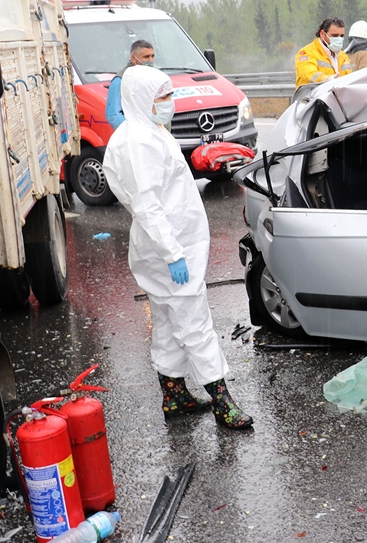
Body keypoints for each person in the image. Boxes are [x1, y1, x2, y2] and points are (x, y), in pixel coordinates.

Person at [102, 65, 253, 430]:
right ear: (141, 99)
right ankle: (223, 404)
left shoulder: (138, 133)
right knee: (196, 325)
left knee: (169, 323)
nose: (170, 103)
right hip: (171, 250)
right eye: (163, 97)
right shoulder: (140, 143)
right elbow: (148, 205)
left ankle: (174, 395)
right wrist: (173, 254)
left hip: (163, 249)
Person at [104, 40, 156, 129]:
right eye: (146, 57)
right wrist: (132, 133)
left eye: (152, 56)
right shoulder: (120, 80)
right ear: (134, 59)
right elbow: (113, 115)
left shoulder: (153, 76)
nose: (150, 60)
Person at [294, 17, 352, 88]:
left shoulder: (343, 57)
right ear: (322, 34)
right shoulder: (306, 53)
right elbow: (309, 73)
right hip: (311, 97)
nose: (339, 39)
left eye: (342, 36)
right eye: (335, 35)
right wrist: (326, 79)